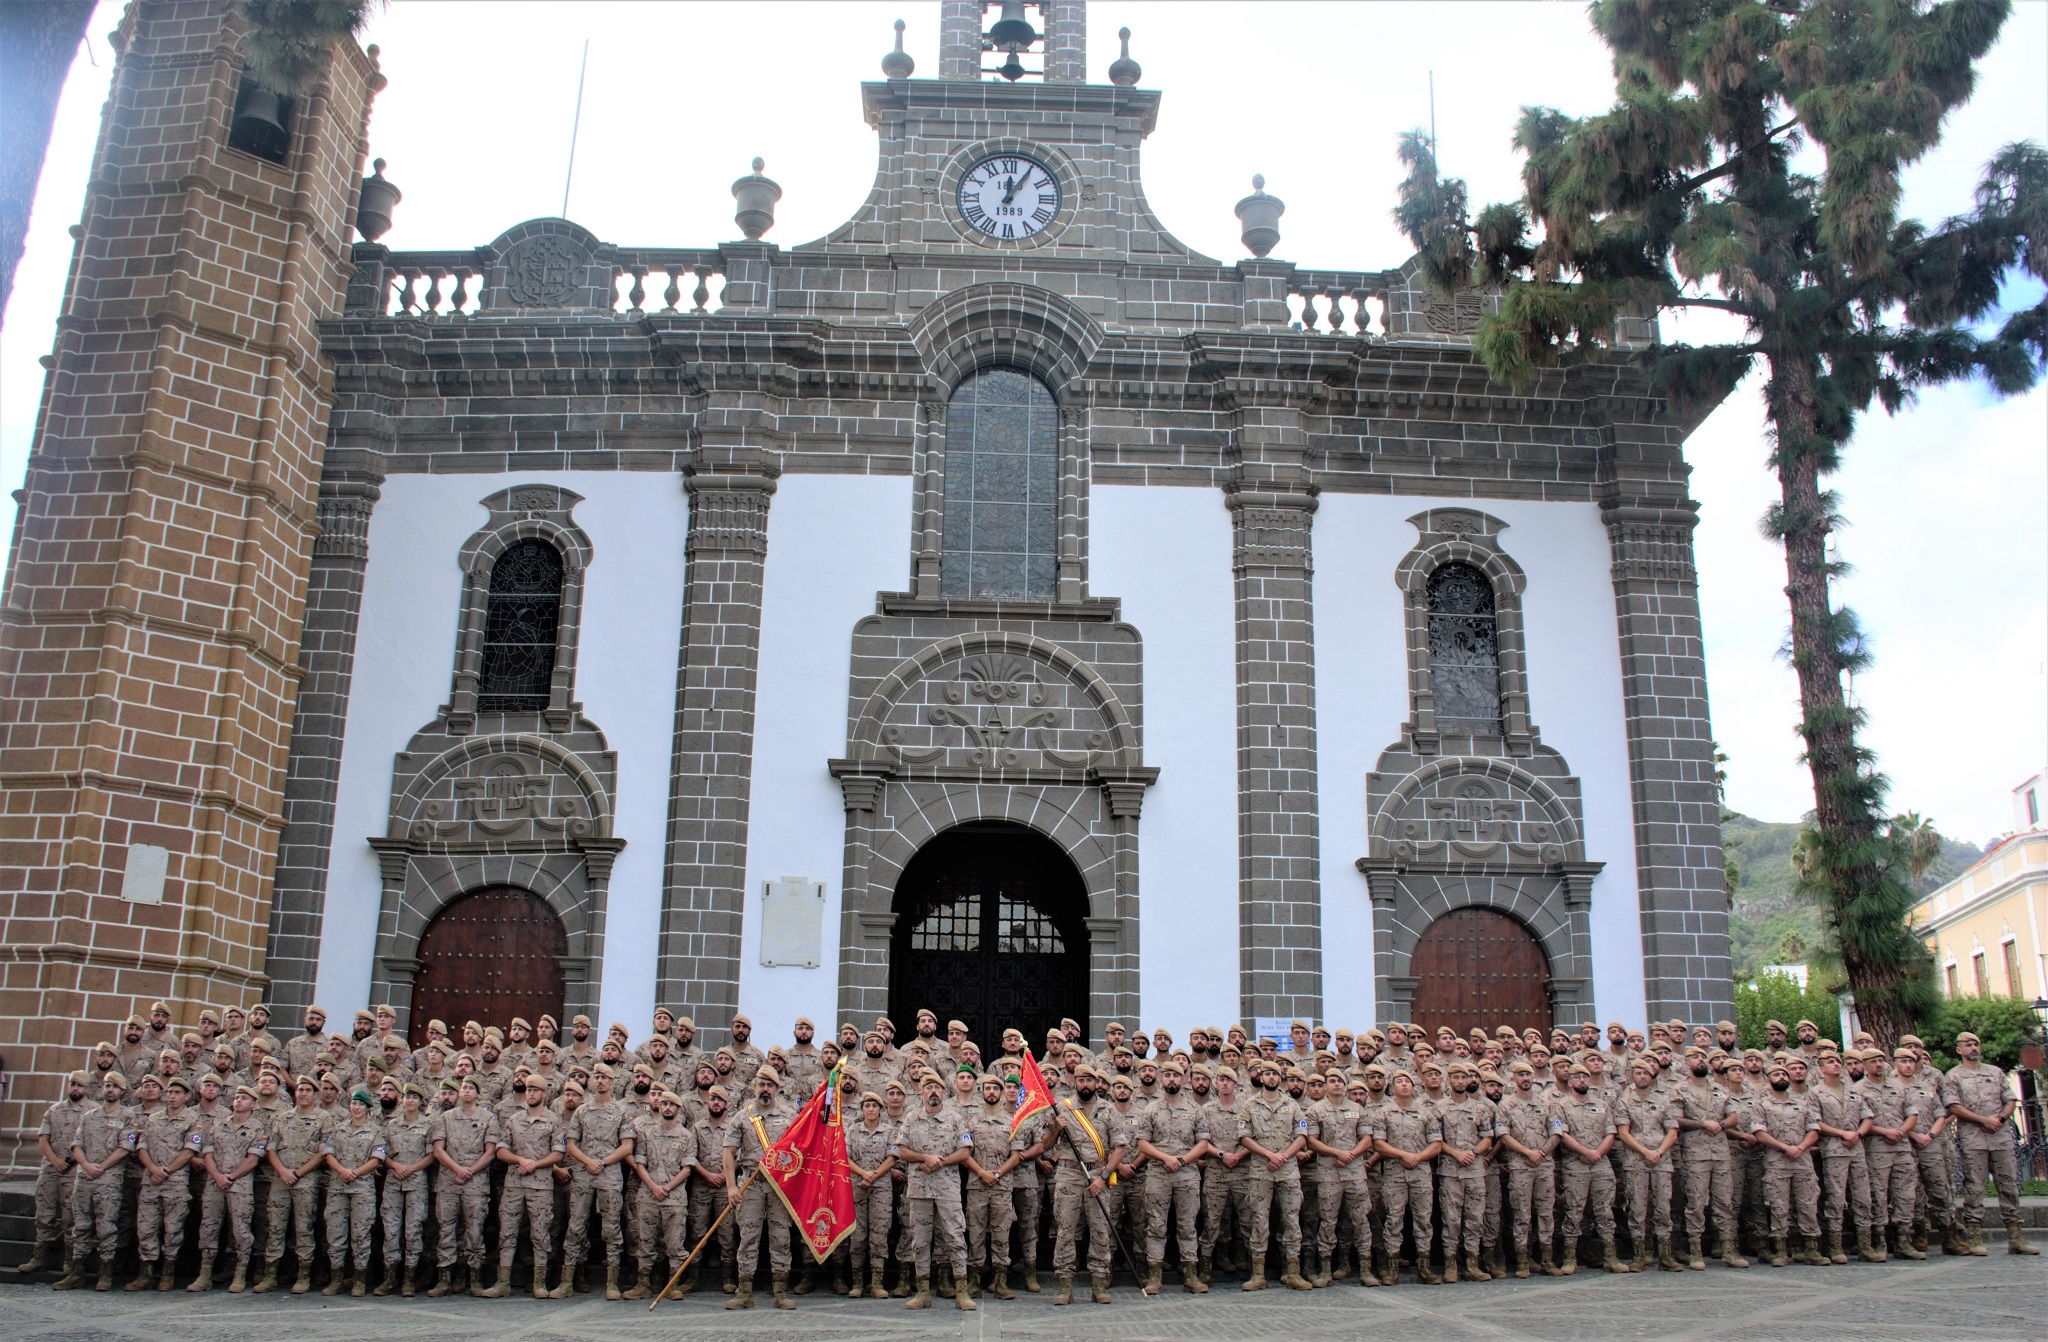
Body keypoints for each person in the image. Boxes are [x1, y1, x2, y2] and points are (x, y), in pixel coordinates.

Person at [1943, 1030, 2041, 1256]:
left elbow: (2010, 1100)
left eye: (1976, 1044)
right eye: (1968, 1045)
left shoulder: (1995, 1072)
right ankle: (1975, 1236)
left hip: (2001, 1136)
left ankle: (2016, 1237)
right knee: (1975, 1187)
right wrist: (1983, 1120)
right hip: (1974, 1138)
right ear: (1959, 1049)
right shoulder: (1954, 1076)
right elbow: (1953, 1106)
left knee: (2009, 1186)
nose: (1973, 1048)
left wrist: (2000, 1119)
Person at [894, 1072, 977, 1310]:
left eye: (937, 1088)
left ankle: (962, 1290)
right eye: (928, 1088)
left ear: (944, 1092)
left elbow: (964, 1152)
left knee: (955, 1236)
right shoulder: (911, 1118)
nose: (932, 1092)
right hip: (919, 1188)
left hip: (947, 1188)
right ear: (921, 1093)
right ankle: (922, 1292)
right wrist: (925, 1157)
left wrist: (939, 1161)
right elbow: (902, 1151)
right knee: (920, 1240)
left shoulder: (954, 1118)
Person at [482, 1067, 566, 1298]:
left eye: (535, 1090)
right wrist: (520, 1160)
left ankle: (539, 1282)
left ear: (544, 1094)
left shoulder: (553, 1120)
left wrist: (535, 1164)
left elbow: (558, 1154)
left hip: (540, 1185)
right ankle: (503, 1281)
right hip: (515, 1183)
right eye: (528, 1089)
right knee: (507, 1231)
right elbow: (501, 1150)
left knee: (540, 1233)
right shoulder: (513, 1120)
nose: (530, 1093)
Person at [1048, 1064, 1127, 1305]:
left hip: (1097, 1175)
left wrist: (1103, 1178)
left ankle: (1099, 1284)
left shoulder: (1108, 1110)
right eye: (1081, 1080)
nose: (1085, 1084)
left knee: (1100, 1230)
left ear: (1096, 1083)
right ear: (1075, 1083)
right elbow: (1045, 1145)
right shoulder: (1062, 1109)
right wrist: (1055, 1128)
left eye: (1089, 1080)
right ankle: (1064, 1285)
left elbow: (1120, 1148)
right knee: (1065, 1230)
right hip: (1069, 1176)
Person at [723, 1065, 798, 1310]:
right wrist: (732, 1187)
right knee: (748, 1237)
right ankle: (744, 1291)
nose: (764, 1089)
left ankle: (780, 1291)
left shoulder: (789, 1116)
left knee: (780, 1237)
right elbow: (728, 1152)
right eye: (761, 1084)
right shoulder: (742, 1116)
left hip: (779, 1187)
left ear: (777, 1088)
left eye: (769, 1085)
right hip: (751, 1185)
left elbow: (800, 1150)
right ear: (754, 1086)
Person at [1133, 1058, 1210, 1295]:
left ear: (1184, 1080)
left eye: (1176, 1076)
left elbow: (1204, 1143)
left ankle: (1191, 1274)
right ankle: (1155, 1276)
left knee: (1188, 1226)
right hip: (1158, 1173)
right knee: (1156, 1225)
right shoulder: (1151, 1110)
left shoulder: (1195, 1110)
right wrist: (1165, 1158)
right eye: (1167, 1075)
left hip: (1187, 1174)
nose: (1171, 1079)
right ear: (1161, 1079)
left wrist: (1183, 1160)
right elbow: (1143, 1143)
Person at [561, 1062, 633, 1297]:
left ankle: (611, 1283)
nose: (600, 1081)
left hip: (609, 1174)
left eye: (604, 1077)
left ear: (612, 1082)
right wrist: (588, 1161)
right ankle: (568, 1280)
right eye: (597, 1077)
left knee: (611, 1227)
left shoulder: (621, 1111)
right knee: (576, 1226)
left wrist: (602, 1162)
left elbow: (627, 1146)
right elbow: (570, 1144)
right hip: (583, 1173)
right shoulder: (582, 1111)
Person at [258, 1076, 332, 1294]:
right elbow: (271, 1148)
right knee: (275, 1227)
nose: (303, 1093)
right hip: (281, 1178)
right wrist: (282, 1171)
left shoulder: (323, 1118)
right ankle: (270, 1274)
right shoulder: (283, 1118)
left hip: (306, 1179)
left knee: (304, 1227)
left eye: (308, 1090)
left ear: (315, 1094)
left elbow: (323, 1153)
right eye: (300, 1089)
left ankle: (303, 1274)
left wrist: (298, 1173)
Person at [1747, 1060, 1824, 1266]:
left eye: (1783, 1074)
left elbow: (1814, 1130)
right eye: (1776, 1075)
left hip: (1803, 1161)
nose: (1780, 1077)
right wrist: (1784, 1148)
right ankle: (1781, 1250)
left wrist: (1800, 1147)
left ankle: (1811, 1249)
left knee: (1808, 1204)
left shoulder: (1802, 1102)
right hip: (1776, 1162)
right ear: (1768, 1080)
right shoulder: (1761, 1105)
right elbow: (1759, 1133)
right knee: (1779, 1206)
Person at [1305, 1073, 1376, 1290]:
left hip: (1354, 1173)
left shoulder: (1358, 1109)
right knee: (1328, 1220)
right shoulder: (1315, 1110)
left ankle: (1365, 1269)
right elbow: (1311, 1141)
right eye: (1332, 1081)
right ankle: (1325, 1269)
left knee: (1361, 1220)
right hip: (1329, 1173)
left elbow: (1367, 1138)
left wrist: (1352, 1154)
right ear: (1325, 1086)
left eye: (1340, 1082)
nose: (1336, 1085)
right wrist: (1337, 1152)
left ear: (1345, 1086)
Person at [625, 1088, 697, 1300]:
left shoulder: (686, 1135)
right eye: (664, 1104)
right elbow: (640, 1163)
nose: (666, 1107)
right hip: (648, 1195)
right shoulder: (648, 1133)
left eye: (671, 1105)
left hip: (674, 1198)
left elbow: (687, 1168)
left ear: (677, 1109)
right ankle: (643, 1284)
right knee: (645, 1242)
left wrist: (667, 1187)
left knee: (675, 1243)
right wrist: (653, 1187)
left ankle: (673, 1285)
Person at [1613, 1054, 1682, 1271]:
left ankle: (1666, 1255)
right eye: (1638, 1073)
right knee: (1637, 1208)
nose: (1642, 1076)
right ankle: (1640, 1255)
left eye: (1646, 1072)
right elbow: (1623, 1133)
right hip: (1636, 1161)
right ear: (1632, 1076)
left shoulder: (1664, 1099)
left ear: (1652, 1075)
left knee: (1663, 1207)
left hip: (1660, 1160)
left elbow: (1673, 1131)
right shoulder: (1624, 1099)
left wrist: (1658, 1152)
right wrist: (1645, 1151)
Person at [429, 1076, 496, 1296]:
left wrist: (470, 1171)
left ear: (478, 1093)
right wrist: (458, 1169)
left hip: (475, 1184)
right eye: (463, 1087)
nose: (466, 1090)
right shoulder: (446, 1118)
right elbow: (438, 1149)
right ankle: (445, 1278)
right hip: (449, 1181)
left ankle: (473, 1278)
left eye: (470, 1088)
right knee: (447, 1229)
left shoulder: (488, 1118)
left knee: (474, 1230)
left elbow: (490, 1152)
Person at [1374, 1070, 1442, 1286]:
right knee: (1393, 1220)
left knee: (1423, 1220)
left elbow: (1436, 1143)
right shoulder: (1383, 1113)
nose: (1404, 1085)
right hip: (1395, 1174)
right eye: (1399, 1082)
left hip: (1420, 1173)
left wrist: (1418, 1157)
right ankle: (1391, 1268)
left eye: (1408, 1082)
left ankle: (1424, 1267)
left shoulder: (1425, 1113)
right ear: (1392, 1088)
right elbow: (1378, 1144)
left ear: (1414, 1087)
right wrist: (1403, 1155)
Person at [961, 1071, 1024, 1298]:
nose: (991, 1092)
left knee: (1001, 1233)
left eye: (995, 1089)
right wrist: (981, 1173)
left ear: (1001, 1093)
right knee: (976, 1233)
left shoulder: (1012, 1122)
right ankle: (974, 1280)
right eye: (987, 1089)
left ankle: (1000, 1281)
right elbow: (964, 1153)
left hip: (1001, 1186)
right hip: (977, 1186)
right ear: (982, 1092)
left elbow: (1016, 1156)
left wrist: (996, 1174)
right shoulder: (971, 1121)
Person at [23, 1069, 88, 1277]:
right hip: (51, 1168)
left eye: (79, 1085)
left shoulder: (92, 1112)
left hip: (74, 1171)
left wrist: (69, 1161)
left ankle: (70, 1260)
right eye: (72, 1084)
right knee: (44, 1212)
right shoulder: (54, 1110)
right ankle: (39, 1256)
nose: (75, 1088)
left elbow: (90, 1143)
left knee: (71, 1215)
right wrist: (54, 1160)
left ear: (86, 1088)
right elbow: (43, 1139)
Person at [321, 1089, 386, 1296]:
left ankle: (359, 1279)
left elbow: (377, 1158)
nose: (356, 1108)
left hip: (362, 1187)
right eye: (353, 1104)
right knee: (335, 1233)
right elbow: (327, 1154)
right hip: (338, 1186)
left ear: (368, 1108)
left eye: (360, 1104)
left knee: (361, 1234)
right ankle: (336, 1279)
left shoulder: (376, 1131)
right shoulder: (337, 1129)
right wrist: (342, 1171)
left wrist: (355, 1173)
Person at [377, 1080, 436, 1296]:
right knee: (391, 1231)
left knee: (413, 1230)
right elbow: (383, 1152)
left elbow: (432, 1154)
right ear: (401, 1100)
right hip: (394, 1181)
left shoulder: (428, 1125)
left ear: (421, 1102)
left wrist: (412, 1168)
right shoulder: (392, 1125)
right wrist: (395, 1165)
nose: (410, 1100)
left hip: (416, 1181)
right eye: (407, 1097)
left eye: (414, 1097)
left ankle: (409, 1279)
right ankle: (390, 1278)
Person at [846, 1091, 897, 1299]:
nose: (870, 1110)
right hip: (857, 1185)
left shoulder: (890, 1131)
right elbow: (844, 1156)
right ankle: (857, 1282)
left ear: (880, 1110)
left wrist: (874, 1175)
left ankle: (877, 1282)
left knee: (879, 1234)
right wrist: (863, 1173)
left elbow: (893, 1157)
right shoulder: (853, 1130)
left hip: (881, 1188)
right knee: (857, 1235)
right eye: (867, 1106)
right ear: (862, 1109)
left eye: (875, 1106)